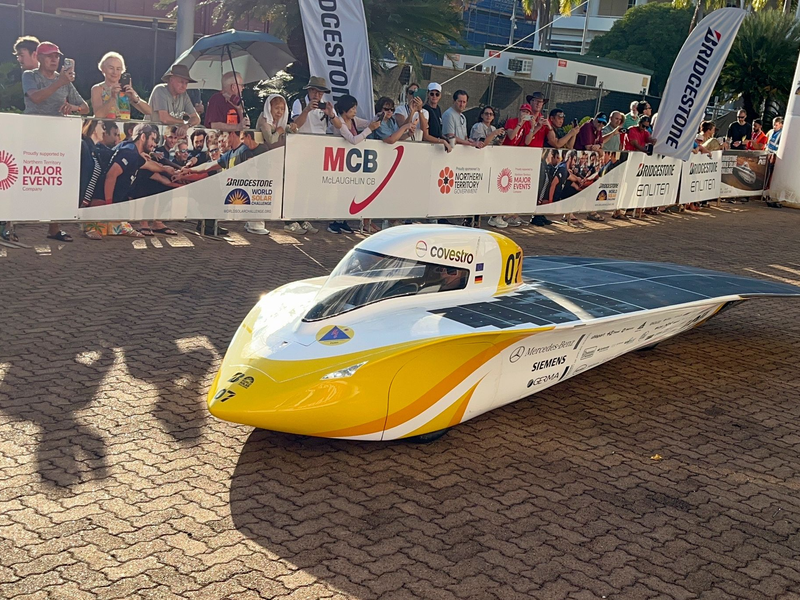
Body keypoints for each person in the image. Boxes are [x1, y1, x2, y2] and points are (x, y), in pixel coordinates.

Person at [22, 41, 89, 243]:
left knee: (59, 181)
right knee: (27, 179)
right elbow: (35, 98)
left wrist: (72, 107)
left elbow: (85, 107)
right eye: (50, 56)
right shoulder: (30, 76)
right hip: (33, 134)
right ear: (39, 58)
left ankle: (55, 228)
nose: (54, 59)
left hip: (59, 137)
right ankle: (10, 225)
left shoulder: (65, 81)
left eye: (57, 56)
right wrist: (59, 83)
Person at [330, 95, 382, 234]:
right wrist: (370, 129)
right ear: (345, 109)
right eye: (352, 108)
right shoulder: (340, 122)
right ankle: (334, 222)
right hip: (337, 160)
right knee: (339, 191)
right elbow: (353, 139)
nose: (355, 111)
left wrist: (378, 117)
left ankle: (343, 221)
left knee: (347, 191)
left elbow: (366, 123)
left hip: (349, 162)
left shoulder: (353, 120)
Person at [91, 52, 151, 119]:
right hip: (104, 128)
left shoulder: (124, 90)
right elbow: (98, 115)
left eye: (118, 69)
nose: (115, 72)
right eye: (111, 68)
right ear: (103, 69)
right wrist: (113, 98)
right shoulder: (98, 89)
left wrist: (135, 98)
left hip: (123, 128)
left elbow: (149, 112)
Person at [148, 64, 201, 135]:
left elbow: (196, 118)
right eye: (181, 82)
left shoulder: (184, 95)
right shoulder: (160, 90)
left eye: (186, 83)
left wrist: (187, 125)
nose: (184, 86)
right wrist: (183, 122)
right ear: (171, 80)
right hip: (151, 134)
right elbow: (164, 119)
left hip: (171, 137)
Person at [421, 82, 451, 152]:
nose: (434, 96)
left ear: (440, 96)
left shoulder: (438, 109)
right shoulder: (425, 110)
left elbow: (437, 131)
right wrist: (442, 141)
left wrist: (446, 138)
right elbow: (425, 136)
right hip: (427, 146)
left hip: (436, 146)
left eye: (437, 94)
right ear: (428, 95)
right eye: (432, 94)